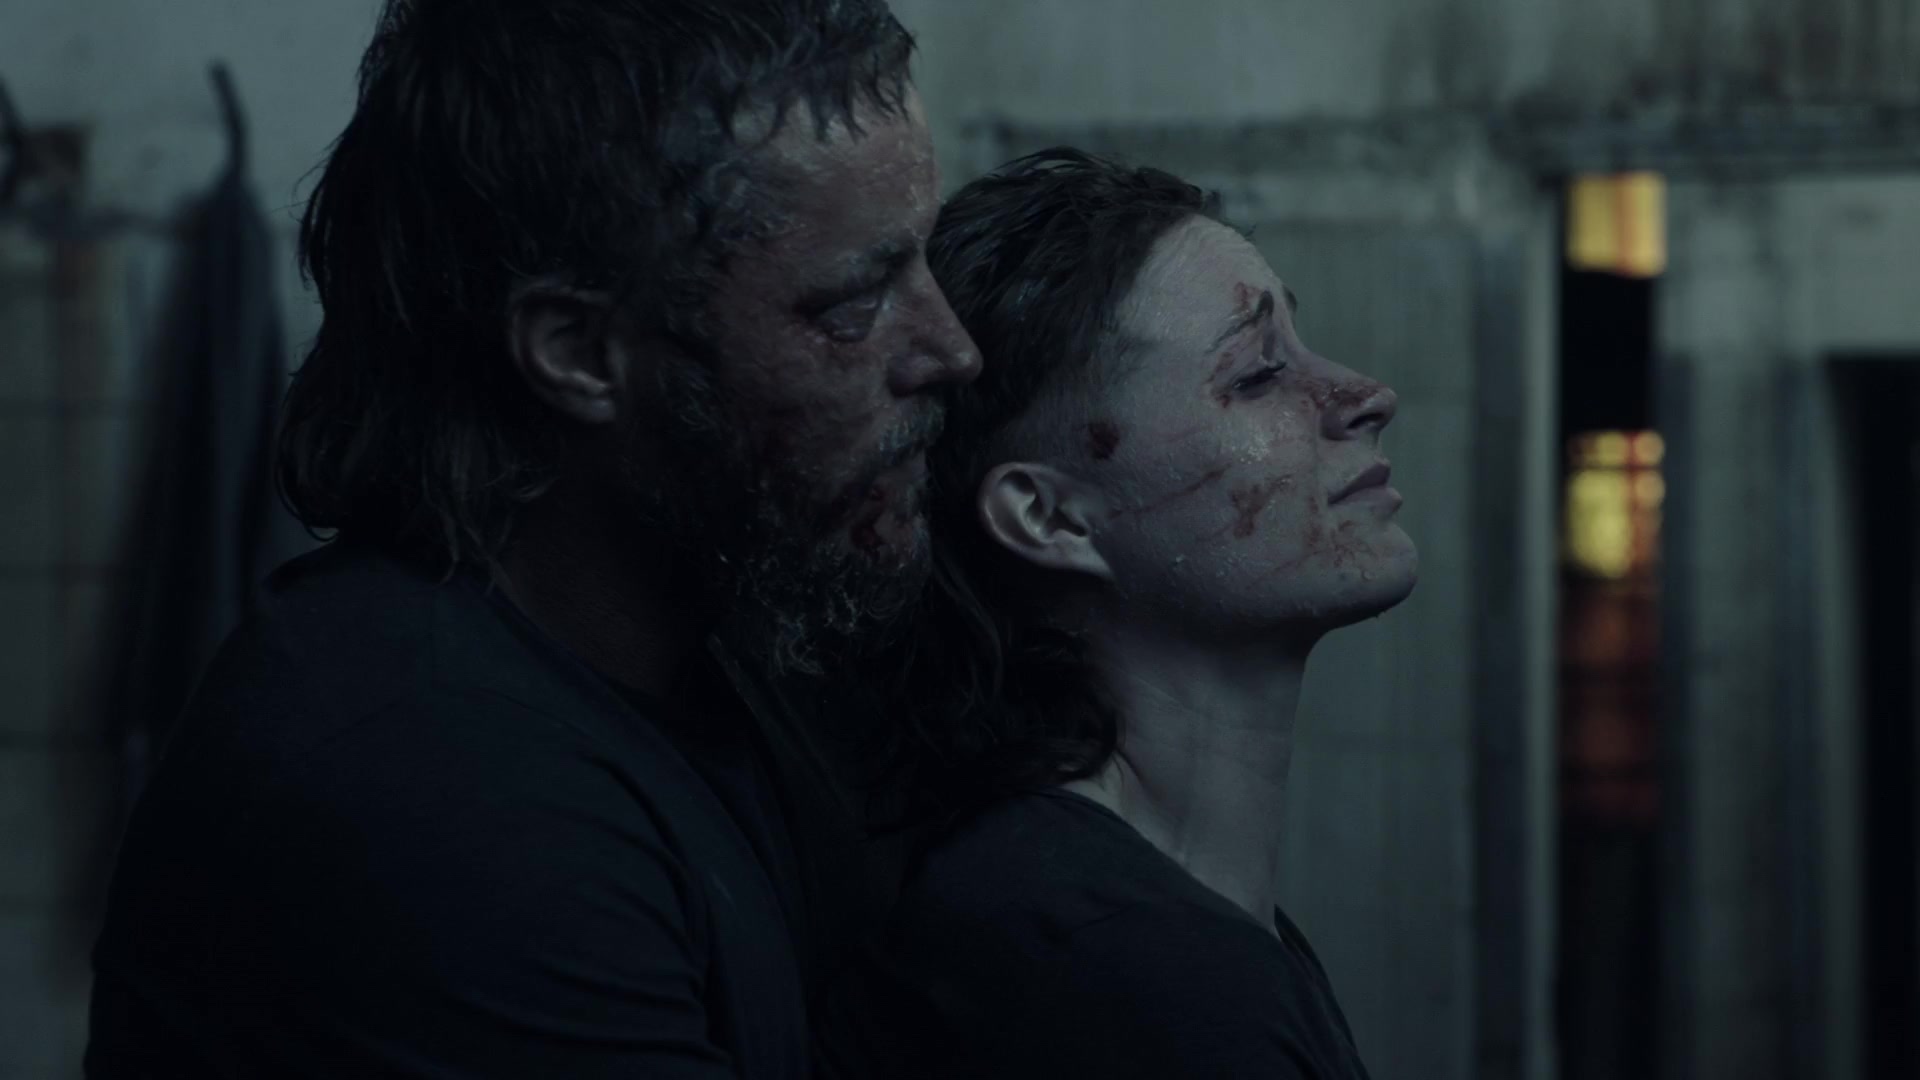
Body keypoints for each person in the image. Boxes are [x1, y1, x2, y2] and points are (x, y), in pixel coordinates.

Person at [85, 2, 978, 1077]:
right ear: (580, 353)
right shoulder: (428, 792)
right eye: (854, 304)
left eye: (922, 264)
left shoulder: (721, 650)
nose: (950, 349)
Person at [820, 149, 1417, 1079]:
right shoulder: (1124, 970)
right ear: (1049, 518)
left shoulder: (1151, 931)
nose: (1366, 397)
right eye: (1258, 375)